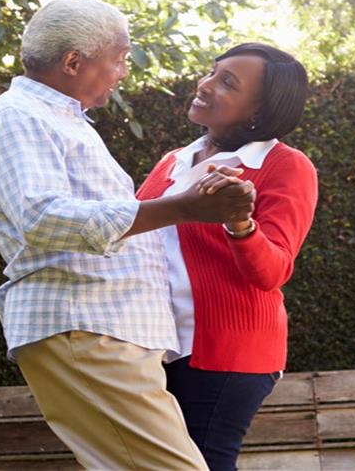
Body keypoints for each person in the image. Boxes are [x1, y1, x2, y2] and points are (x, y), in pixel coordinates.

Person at [0, 0, 253, 470]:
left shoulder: (61, 120)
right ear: (73, 61)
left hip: (106, 326)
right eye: (117, 60)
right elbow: (43, 219)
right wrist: (182, 207)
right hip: (84, 322)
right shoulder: (15, 116)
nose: (123, 72)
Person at [133, 43, 317, 471]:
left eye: (227, 82)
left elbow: (273, 270)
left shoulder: (284, 166)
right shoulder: (174, 162)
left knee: (202, 464)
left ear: (260, 109)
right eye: (212, 72)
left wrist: (240, 223)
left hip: (226, 353)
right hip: (160, 345)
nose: (206, 84)